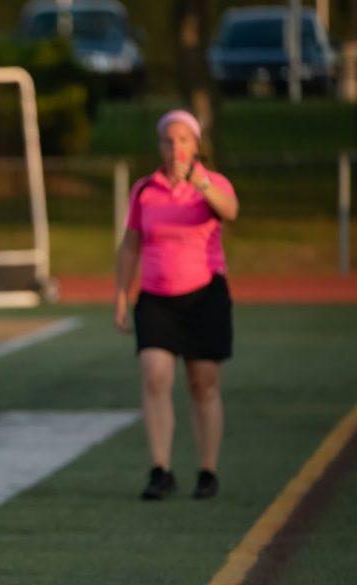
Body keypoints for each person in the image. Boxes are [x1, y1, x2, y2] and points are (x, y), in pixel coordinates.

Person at [113, 109, 240, 500]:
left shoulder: (213, 183)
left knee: (203, 385)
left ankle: (207, 470)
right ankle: (161, 468)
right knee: (154, 375)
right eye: (169, 140)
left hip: (204, 297)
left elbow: (230, 211)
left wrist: (200, 182)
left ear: (196, 144)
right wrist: (121, 294)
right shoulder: (145, 190)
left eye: (184, 140)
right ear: (160, 145)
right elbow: (132, 242)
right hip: (155, 299)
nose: (175, 148)